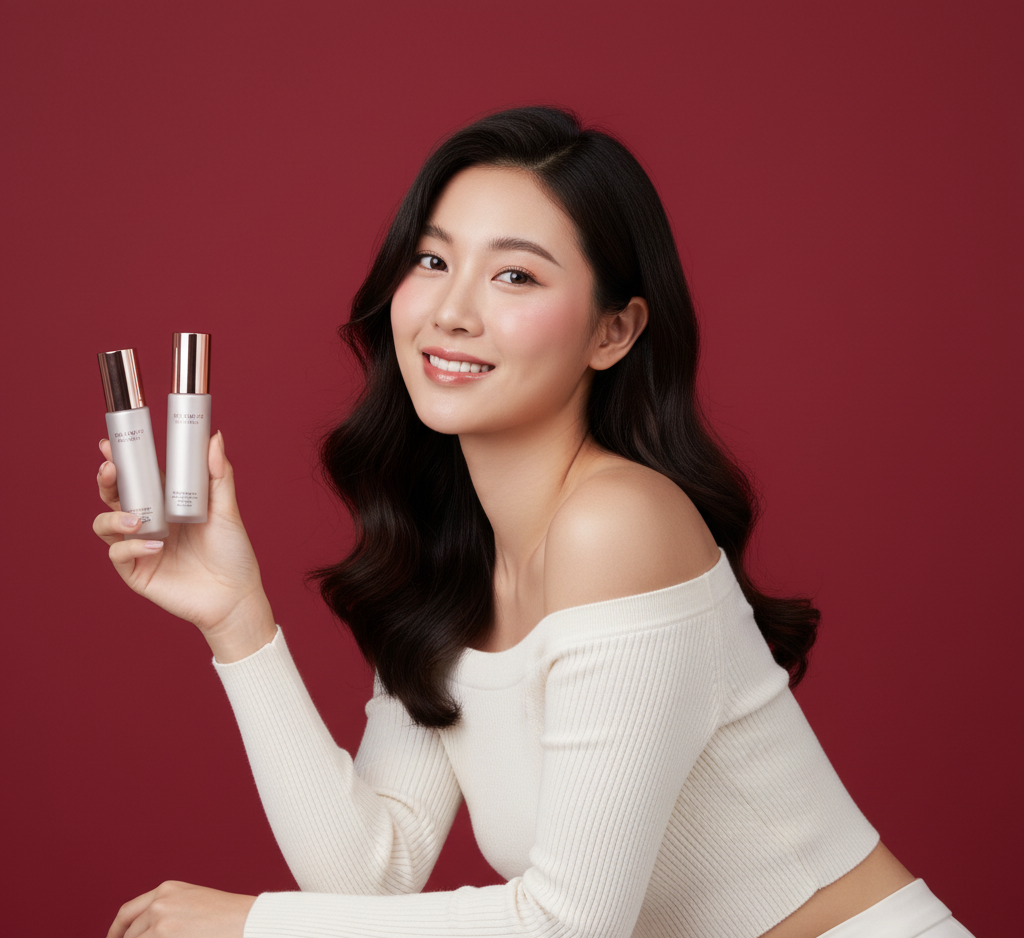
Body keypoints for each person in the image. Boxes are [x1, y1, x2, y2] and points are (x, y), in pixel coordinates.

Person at [94, 107, 973, 938]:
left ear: (614, 331)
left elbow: (567, 924)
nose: (452, 311)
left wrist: (254, 923)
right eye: (432, 262)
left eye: (515, 274)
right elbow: (369, 874)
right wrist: (236, 617)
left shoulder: (617, 525)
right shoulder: (458, 556)